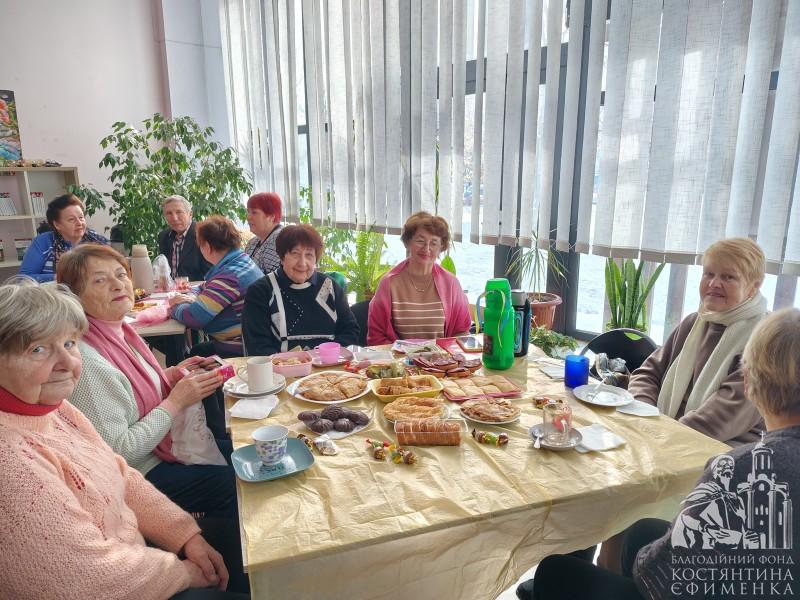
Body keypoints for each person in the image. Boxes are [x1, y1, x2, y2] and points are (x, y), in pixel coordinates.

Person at [518, 308, 800, 600]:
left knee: (555, 570)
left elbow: (660, 577)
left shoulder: (740, 470)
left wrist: (644, 559)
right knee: (641, 532)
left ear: (748, 384)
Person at [0, 280, 247, 599]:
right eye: (38, 349)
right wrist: (182, 572)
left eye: (69, 343)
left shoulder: (54, 409)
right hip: (111, 583)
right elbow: (85, 577)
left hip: (131, 554)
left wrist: (186, 536)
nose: (68, 363)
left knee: (255, 551)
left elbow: (119, 472)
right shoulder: (11, 464)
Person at [56, 244, 238, 519]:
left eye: (121, 274)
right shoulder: (88, 361)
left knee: (244, 451)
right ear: (74, 296)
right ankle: (209, 542)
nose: (118, 285)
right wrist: (176, 401)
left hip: (162, 447)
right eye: (100, 280)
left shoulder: (119, 332)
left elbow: (130, 393)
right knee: (238, 482)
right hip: (138, 474)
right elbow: (120, 452)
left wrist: (171, 374)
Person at [629, 238, 767, 446]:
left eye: (728, 277)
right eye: (709, 274)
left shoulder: (765, 340)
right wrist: (644, 413)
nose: (714, 284)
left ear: (753, 286)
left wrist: (659, 434)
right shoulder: (694, 322)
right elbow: (647, 373)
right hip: (661, 433)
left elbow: (722, 419)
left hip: (723, 450)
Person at [242, 223, 359, 355]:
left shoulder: (330, 287)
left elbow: (350, 332)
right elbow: (257, 345)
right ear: (281, 257)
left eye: (309, 255)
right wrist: (290, 362)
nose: (302, 263)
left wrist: (325, 357)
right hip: (279, 366)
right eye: (295, 253)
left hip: (328, 364)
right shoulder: (261, 291)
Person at [367, 211, 471, 345]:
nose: (426, 248)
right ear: (408, 242)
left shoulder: (451, 283)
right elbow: (376, 336)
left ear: (441, 247)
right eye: (420, 241)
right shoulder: (389, 283)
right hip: (398, 357)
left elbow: (462, 332)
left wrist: (444, 355)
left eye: (434, 243)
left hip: (441, 357)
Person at [168, 215, 263, 358]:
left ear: (207, 246)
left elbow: (194, 318)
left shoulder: (229, 276)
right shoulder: (239, 262)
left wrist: (175, 307)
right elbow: (204, 287)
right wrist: (190, 297)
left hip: (242, 348)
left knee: (192, 356)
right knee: (196, 351)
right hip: (251, 339)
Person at [19, 193, 107, 282]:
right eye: (71, 219)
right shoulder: (44, 242)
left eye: (81, 217)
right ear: (57, 225)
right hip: (54, 290)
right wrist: (62, 277)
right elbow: (24, 278)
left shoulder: (98, 241)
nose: (79, 223)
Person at [157, 195, 212, 282]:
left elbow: (212, 274)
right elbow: (164, 270)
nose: (174, 218)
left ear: (190, 214)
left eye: (179, 212)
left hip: (199, 289)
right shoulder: (164, 236)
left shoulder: (204, 234)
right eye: (169, 213)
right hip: (171, 289)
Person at [244, 191, 283, 275]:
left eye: (254, 212)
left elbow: (275, 278)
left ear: (271, 216)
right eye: (248, 212)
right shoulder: (252, 242)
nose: (248, 217)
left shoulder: (279, 239)